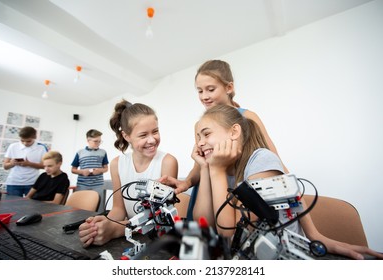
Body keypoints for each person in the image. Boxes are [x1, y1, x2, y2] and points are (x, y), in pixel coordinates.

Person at [192, 104, 383, 260]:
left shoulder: (261, 161)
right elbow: (204, 223)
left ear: (234, 132)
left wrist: (215, 170)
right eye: (197, 138)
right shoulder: (222, 168)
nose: (199, 143)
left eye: (206, 134)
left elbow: (228, 231)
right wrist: (204, 168)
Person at [160, 59, 287, 195]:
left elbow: (274, 158)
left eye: (210, 89)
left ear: (229, 88)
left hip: (241, 192)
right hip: (212, 193)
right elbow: (200, 166)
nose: (204, 96)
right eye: (200, 91)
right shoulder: (200, 125)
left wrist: (290, 188)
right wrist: (187, 182)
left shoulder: (248, 117)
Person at [78, 100, 178, 247]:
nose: (152, 140)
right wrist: (100, 226)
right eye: (143, 135)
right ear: (126, 136)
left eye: (155, 131)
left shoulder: (168, 162)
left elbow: (159, 217)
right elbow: (118, 209)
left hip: (156, 239)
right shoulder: (117, 164)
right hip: (132, 235)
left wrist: (115, 229)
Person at [3, 126, 48, 197]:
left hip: (32, 183)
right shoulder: (13, 146)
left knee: (32, 207)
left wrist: (29, 164)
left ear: (35, 137)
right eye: (22, 141)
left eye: (28, 141)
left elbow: (45, 166)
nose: (25, 143)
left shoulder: (41, 148)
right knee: (13, 207)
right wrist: (12, 163)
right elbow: (5, 166)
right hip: (14, 183)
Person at [71, 129, 109, 199]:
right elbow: (73, 170)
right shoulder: (80, 152)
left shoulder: (103, 152)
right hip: (82, 185)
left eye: (99, 141)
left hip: (98, 185)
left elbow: (106, 168)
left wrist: (100, 170)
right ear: (88, 140)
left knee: (97, 208)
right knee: (80, 206)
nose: (98, 143)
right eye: (95, 141)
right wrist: (82, 171)